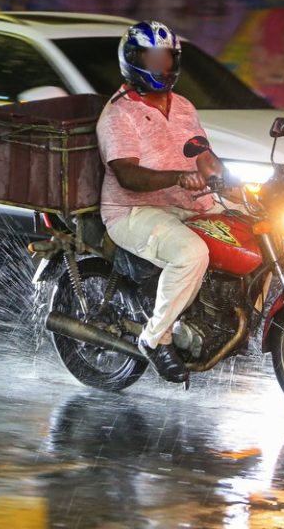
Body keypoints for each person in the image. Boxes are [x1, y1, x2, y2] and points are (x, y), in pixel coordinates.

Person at [96, 20, 228, 385]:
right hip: (133, 212)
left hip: (188, 202)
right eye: (151, 59)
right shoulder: (119, 115)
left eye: (165, 59)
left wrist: (219, 173)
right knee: (191, 254)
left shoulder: (183, 106)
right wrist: (176, 178)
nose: (160, 67)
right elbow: (128, 176)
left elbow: (202, 153)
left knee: (257, 231)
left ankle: (219, 318)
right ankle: (155, 338)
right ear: (132, 60)